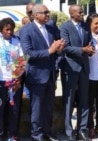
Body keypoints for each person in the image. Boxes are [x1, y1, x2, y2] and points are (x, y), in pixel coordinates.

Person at [20, 4, 65, 141]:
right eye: (44, 12)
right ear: (35, 15)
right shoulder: (26, 30)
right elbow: (29, 53)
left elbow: (58, 47)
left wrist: (59, 50)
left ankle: (47, 132)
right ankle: (36, 134)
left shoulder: (51, 28)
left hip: (51, 74)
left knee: (48, 107)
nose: (47, 14)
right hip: (36, 76)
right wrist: (49, 51)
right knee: (37, 108)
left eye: (48, 12)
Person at [59, 4, 94, 141]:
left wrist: (91, 49)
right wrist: (83, 50)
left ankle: (82, 130)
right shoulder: (65, 27)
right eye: (79, 12)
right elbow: (65, 47)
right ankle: (69, 132)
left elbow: (89, 42)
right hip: (70, 69)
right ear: (71, 14)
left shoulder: (85, 26)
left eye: (82, 12)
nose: (82, 14)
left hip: (84, 68)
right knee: (69, 101)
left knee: (84, 101)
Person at [0, 18, 24, 141]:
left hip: (14, 82)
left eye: (11, 29)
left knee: (13, 110)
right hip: (1, 82)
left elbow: (21, 61)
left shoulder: (16, 41)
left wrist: (18, 80)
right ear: (1, 29)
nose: (9, 32)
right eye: (7, 29)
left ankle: (12, 135)